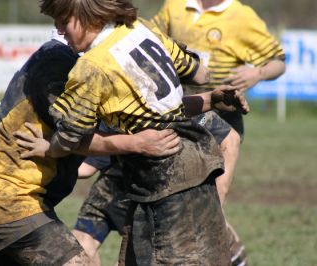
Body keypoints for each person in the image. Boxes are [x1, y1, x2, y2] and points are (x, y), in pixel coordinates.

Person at [17, 0, 249, 264]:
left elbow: (72, 139)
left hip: (167, 184)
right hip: (192, 169)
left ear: (86, 15)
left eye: (63, 21)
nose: (59, 30)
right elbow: (199, 74)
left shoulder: (91, 67)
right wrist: (210, 98)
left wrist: (49, 147)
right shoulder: (141, 28)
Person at [0, 35, 182, 266]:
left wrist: (207, 100)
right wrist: (137, 143)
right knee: (77, 262)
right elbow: (72, 136)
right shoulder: (60, 65)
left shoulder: (71, 63)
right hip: (6, 198)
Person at [152, 0, 286, 264]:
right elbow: (150, 38)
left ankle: (229, 258)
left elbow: (278, 62)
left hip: (220, 120)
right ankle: (233, 258)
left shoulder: (241, 16)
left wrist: (257, 73)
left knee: (208, 203)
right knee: (186, 200)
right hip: (180, 114)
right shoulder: (175, 6)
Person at [72, 112, 239, 266]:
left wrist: (218, 201)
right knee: (82, 240)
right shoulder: (113, 105)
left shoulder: (171, 106)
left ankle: (234, 250)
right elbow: (86, 168)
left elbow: (230, 138)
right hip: (120, 182)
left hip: (169, 192)